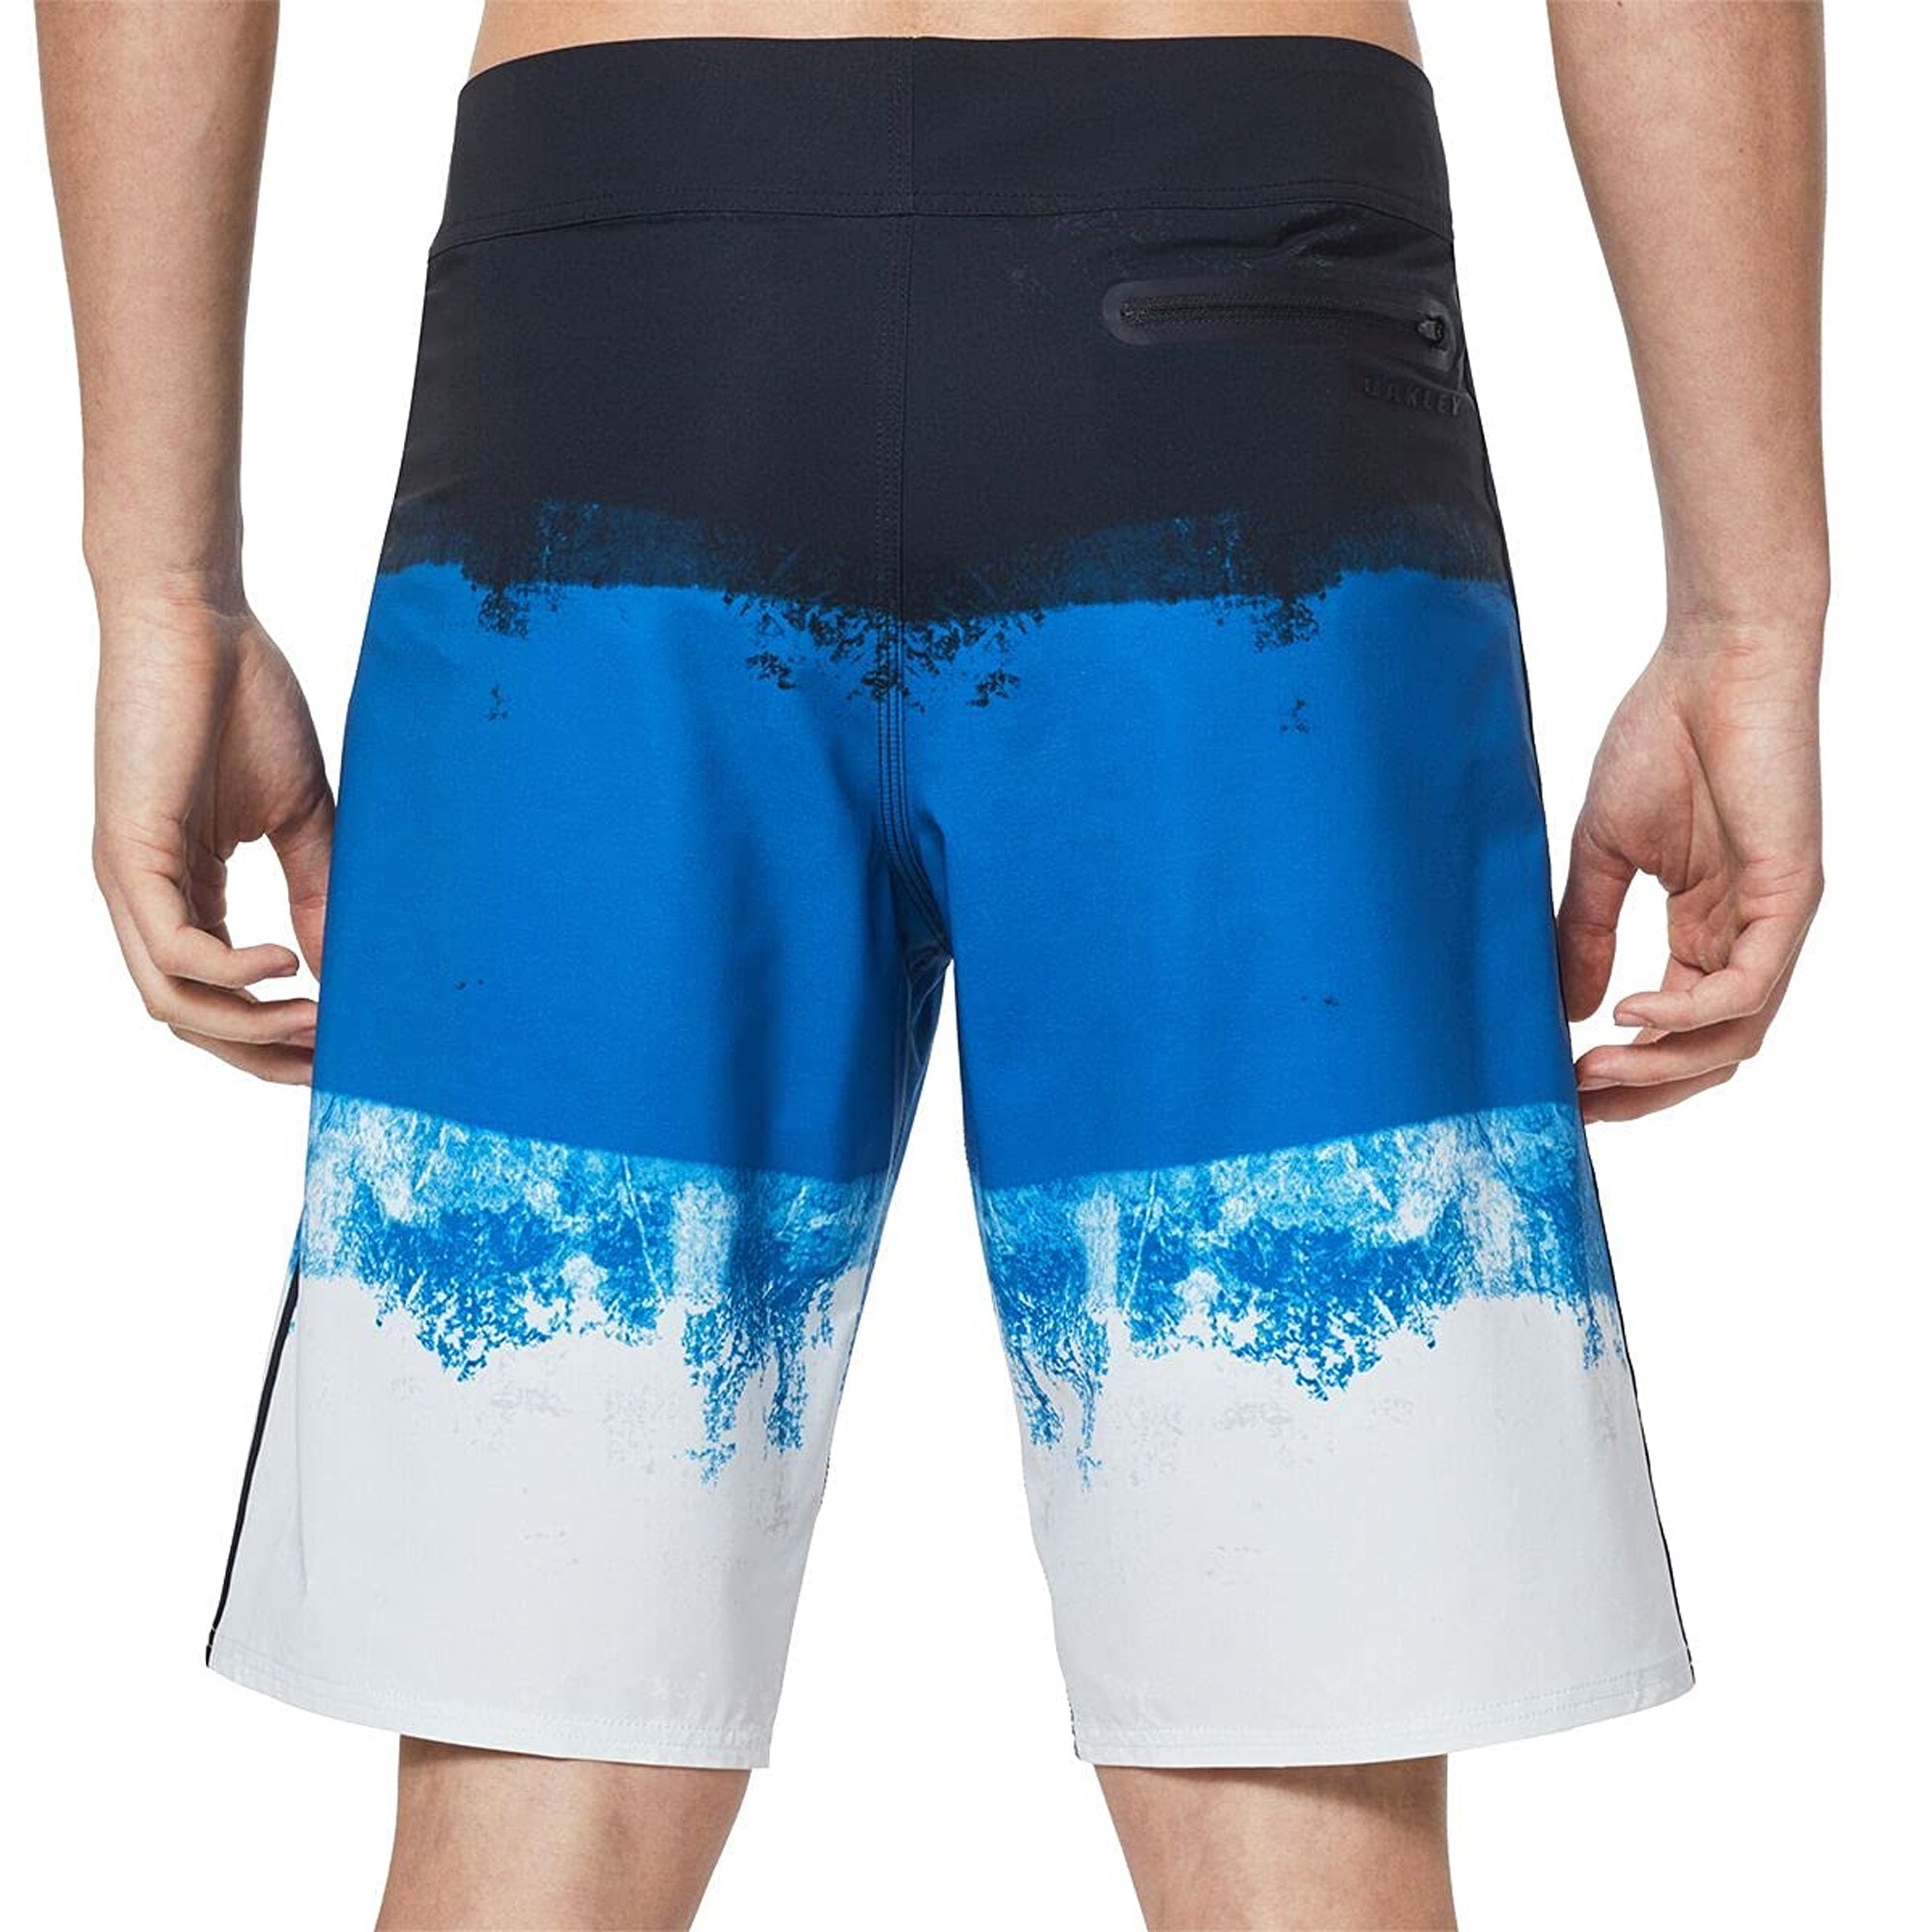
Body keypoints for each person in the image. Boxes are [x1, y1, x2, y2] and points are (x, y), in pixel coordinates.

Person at [37, 1, 1825, 1926]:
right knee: (1302, 1774)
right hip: (1249, 350)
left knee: (534, 1776)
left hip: (620, 330)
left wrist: (164, 591)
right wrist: (1746, 619)